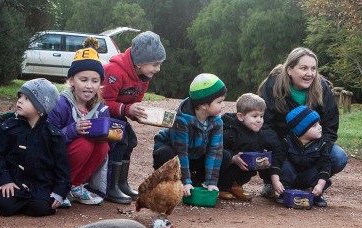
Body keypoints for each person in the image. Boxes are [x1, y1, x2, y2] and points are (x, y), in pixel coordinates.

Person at [257, 47, 347, 197]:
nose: (310, 73)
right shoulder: (273, 85)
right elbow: (263, 123)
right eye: (304, 68)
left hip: (312, 148)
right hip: (280, 146)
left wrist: (319, 148)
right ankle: (272, 182)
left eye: (313, 69)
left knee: (338, 157)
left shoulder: (323, 88)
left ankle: (310, 185)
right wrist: (280, 146)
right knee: (263, 151)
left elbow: (330, 126)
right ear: (290, 69)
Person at [0, 78, 70, 217]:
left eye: (27, 98)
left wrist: (60, 192)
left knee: (42, 208)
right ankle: (18, 202)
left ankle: (28, 204)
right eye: (20, 96)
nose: (19, 101)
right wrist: (5, 180)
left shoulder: (53, 135)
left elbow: (61, 165)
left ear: (40, 107)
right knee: (2, 205)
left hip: (41, 185)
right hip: (13, 183)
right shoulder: (8, 128)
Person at [102, 31, 167, 204]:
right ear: (140, 62)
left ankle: (121, 183)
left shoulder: (144, 76)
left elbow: (134, 102)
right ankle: (110, 186)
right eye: (155, 64)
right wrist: (127, 109)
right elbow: (102, 103)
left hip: (118, 116)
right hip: (102, 117)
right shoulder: (115, 71)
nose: (158, 69)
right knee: (120, 140)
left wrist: (141, 115)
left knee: (130, 140)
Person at [48, 39, 109, 206]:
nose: (89, 86)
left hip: (78, 163)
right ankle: (61, 187)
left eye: (95, 81)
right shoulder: (60, 104)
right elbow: (47, 139)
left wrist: (112, 133)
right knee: (85, 144)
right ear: (71, 80)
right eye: (84, 79)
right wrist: (73, 129)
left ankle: (75, 186)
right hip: (55, 162)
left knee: (103, 145)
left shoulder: (101, 108)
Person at [152, 73, 230, 197]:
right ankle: (168, 183)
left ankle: (197, 181)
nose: (223, 105)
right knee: (165, 154)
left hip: (196, 154)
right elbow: (181, 152)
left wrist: (211, 182)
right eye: (219, 102)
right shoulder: (181, 121)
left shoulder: (217, 122)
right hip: (176, 153)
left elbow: (214, 151)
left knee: (225, 156)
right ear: (204, 105)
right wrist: (185, 181)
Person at [269, 106, 332, 207]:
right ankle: (284, 191)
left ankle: (316, 193)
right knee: (284, 165)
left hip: (308, 176)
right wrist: (275, 181)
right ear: (302, 130)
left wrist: (320, 185)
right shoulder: (287, 142)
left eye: (319, 123)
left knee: (319, 170)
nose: (320, 127)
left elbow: (325, 165)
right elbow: (277, 162)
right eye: (314, 125)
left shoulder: (321, 143)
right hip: (291, 176)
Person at [217, 93, 267, 201]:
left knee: (255, 166)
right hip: (229, 165)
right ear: (240, 116)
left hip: (245, 166)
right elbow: (218, 150)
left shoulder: (259, 133)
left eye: (261, 116)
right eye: (254, 116)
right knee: (229, 165)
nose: (259, 120)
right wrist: (232, 157)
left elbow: (260, 146)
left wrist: (262, 153)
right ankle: (222, 187)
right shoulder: (230, 131)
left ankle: (236, 185)